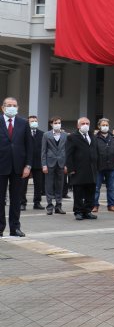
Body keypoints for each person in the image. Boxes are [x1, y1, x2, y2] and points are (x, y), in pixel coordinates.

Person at [0, 97, 33, 237]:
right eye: (9, 105)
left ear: (18, 108)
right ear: (3, 107)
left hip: (19, 168)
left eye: (14, 105)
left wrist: (28, 165)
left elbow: (29, 146)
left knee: (16, 199)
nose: (11, 107)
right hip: (1, 166)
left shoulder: (24, 123)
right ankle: (0, 227)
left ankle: (15, 228)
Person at [66, 117, 98, 222]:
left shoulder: (92, 136)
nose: (85, 125)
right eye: (83, 123)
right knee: (78, 192)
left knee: (90, 191)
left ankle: (87, 211)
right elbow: (68, 154)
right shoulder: (72, 137)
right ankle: (78, 211)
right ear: (78, 125)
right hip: (78, 169)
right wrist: (70, 169)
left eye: (87, 123)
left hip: (91, 169)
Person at [93, 118, 114, 213]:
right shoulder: (95, 138)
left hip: (111, 166)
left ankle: (111, 205)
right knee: (96, 187)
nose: (105, 127)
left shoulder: (113, 137)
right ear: (99, 126)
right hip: (98, 166)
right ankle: (95, 205)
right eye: (103, 125)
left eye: (106, 125)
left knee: (111, 187)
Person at [42, 116, 67, 216]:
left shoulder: (65, 135)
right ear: (51, 124)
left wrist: (66, 164)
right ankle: (49, 206)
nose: (58, 124)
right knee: (49, 185)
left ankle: (58, 206)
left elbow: (67, 151)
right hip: (49, 162)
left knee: (60, 185)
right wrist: (44, 164)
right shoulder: (46, 135)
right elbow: (43, 151)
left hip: (61, 163)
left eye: (59, 122)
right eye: (55, 123)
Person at [21, 115, 45, 210]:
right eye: (32, 121)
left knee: (38, 184)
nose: (34, 122)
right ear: (28, 122)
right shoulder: (23, 133)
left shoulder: (42, 134)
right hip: (25, 163)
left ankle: (37, 202)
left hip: (38, 162)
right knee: (23, 185)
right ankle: (22, 203)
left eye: (35, 121)